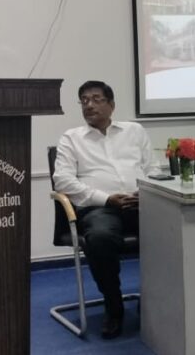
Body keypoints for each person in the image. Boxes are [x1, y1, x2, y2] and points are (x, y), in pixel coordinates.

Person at [52, 80, 151, 339]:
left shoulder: (135, 131)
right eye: (84, 100)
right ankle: (113, 306)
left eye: (96, 99)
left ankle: (155, 298)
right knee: (100, 238)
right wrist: (106, 199)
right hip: (100, 209)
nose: (89, 105)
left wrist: (146, 194)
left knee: (174, 228)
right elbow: (62, 181)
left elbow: (153, 169)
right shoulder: (72, 138)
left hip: (140, 204)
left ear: (111, 105)